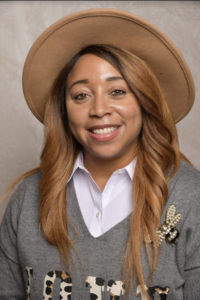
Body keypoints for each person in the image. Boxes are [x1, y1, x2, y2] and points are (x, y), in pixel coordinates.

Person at [0, 8, 199, 300]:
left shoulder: (192, 198)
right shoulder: (27, 201)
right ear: (63, 109)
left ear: (145, 101)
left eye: (117, 91)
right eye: (81, 95)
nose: (99, 109)